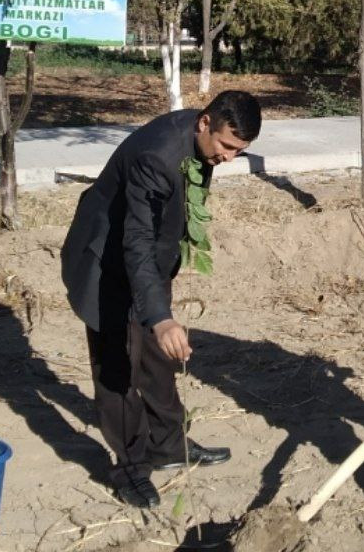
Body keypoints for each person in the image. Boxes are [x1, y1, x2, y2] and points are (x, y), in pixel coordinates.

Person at [61, 90, 262, 508]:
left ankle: (168, 445)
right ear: (205, 123)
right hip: (105, 260)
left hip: (145, 262)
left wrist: (159, 312)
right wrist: (160, 314)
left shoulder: (200, 142)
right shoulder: (156, 156)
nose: (228, 158)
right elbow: (135, 238)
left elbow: (162, 225)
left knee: (155, 355)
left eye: (238, 152)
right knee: (116, 369)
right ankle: (130, 468)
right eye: (227, 146)